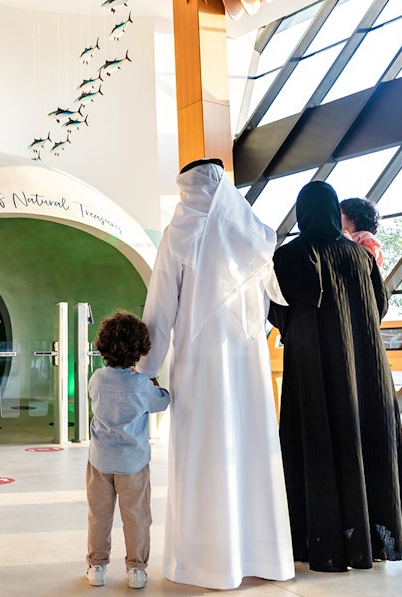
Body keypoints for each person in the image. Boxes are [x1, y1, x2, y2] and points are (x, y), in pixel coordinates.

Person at [136, 158, 295, 589]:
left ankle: (206, 560)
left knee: (204, 454)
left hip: (200, 362)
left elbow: (161, 306)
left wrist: (146, 368)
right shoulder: (253, 232)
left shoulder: (179, 233)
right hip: (247, 362)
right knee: (248, 450)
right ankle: (260, 554)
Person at [269, 181, 402, 572]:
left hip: (315, 364)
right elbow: (379, 306)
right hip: (364, 363)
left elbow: (279, 308)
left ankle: (320, 541)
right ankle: (370, 539)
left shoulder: (292, 254)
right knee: (365, 437)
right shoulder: (360, 255)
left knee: (319, 440)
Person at [86, 310, 171, 590]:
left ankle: (97, 566)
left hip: (99, 460)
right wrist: (159, 386)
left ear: (103, 346)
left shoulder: (97, 378)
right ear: (139, 350)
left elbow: (92, 397)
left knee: (99, 515)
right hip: (133, 463)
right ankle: (136, 569)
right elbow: (161, 402)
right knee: (136, 516)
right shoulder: (140, 384)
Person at [339, 197, 383, 268]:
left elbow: (367, 260)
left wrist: (349, 243)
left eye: (339, 214)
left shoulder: (365, 236)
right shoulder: (338, 236)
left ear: (352, 218)